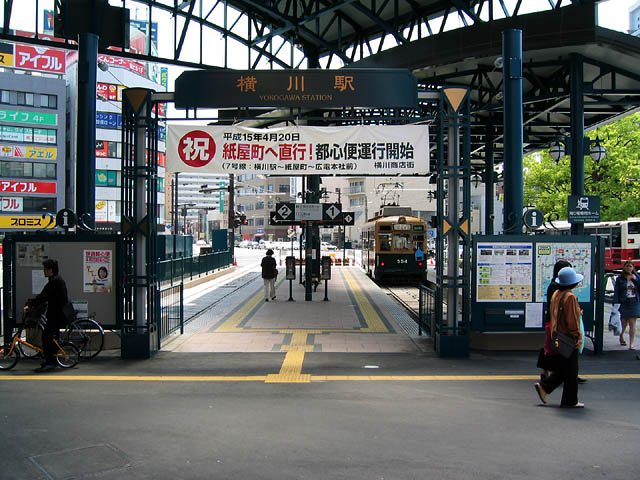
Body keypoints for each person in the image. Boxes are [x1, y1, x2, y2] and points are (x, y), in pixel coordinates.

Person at [535, 266, 585, 408]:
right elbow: (572, 320)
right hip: (569, 338)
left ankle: (545, 387)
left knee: (566, 369)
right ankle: (567, 399)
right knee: (571, 370)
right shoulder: (570, 297)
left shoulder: (557, 294)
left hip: (558, 336)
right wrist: (578, 337)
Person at [24, 259, 69, 372]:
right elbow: (46, 296)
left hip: (56, 315)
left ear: (50, 270)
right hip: (58, 314)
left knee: (46, 337)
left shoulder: (54, 281)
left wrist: (31, 305)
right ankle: (53, 360)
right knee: (52, 337)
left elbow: (44, 296)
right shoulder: (56, 280)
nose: (43, 271)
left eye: (44, 269)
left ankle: (50, 362)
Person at [613, 260, 640, 350]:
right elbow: (616, 291)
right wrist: (615, 303)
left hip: (634, 302)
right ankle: (621, 336)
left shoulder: (637, 277)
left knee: (632, 323)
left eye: (630, 266)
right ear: (624, 267)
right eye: (627, 266)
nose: (629, 268)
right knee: (623, 323)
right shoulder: (620, 278)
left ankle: (631, 344)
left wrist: (635, 280)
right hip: (623, 302)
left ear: (633, 268)